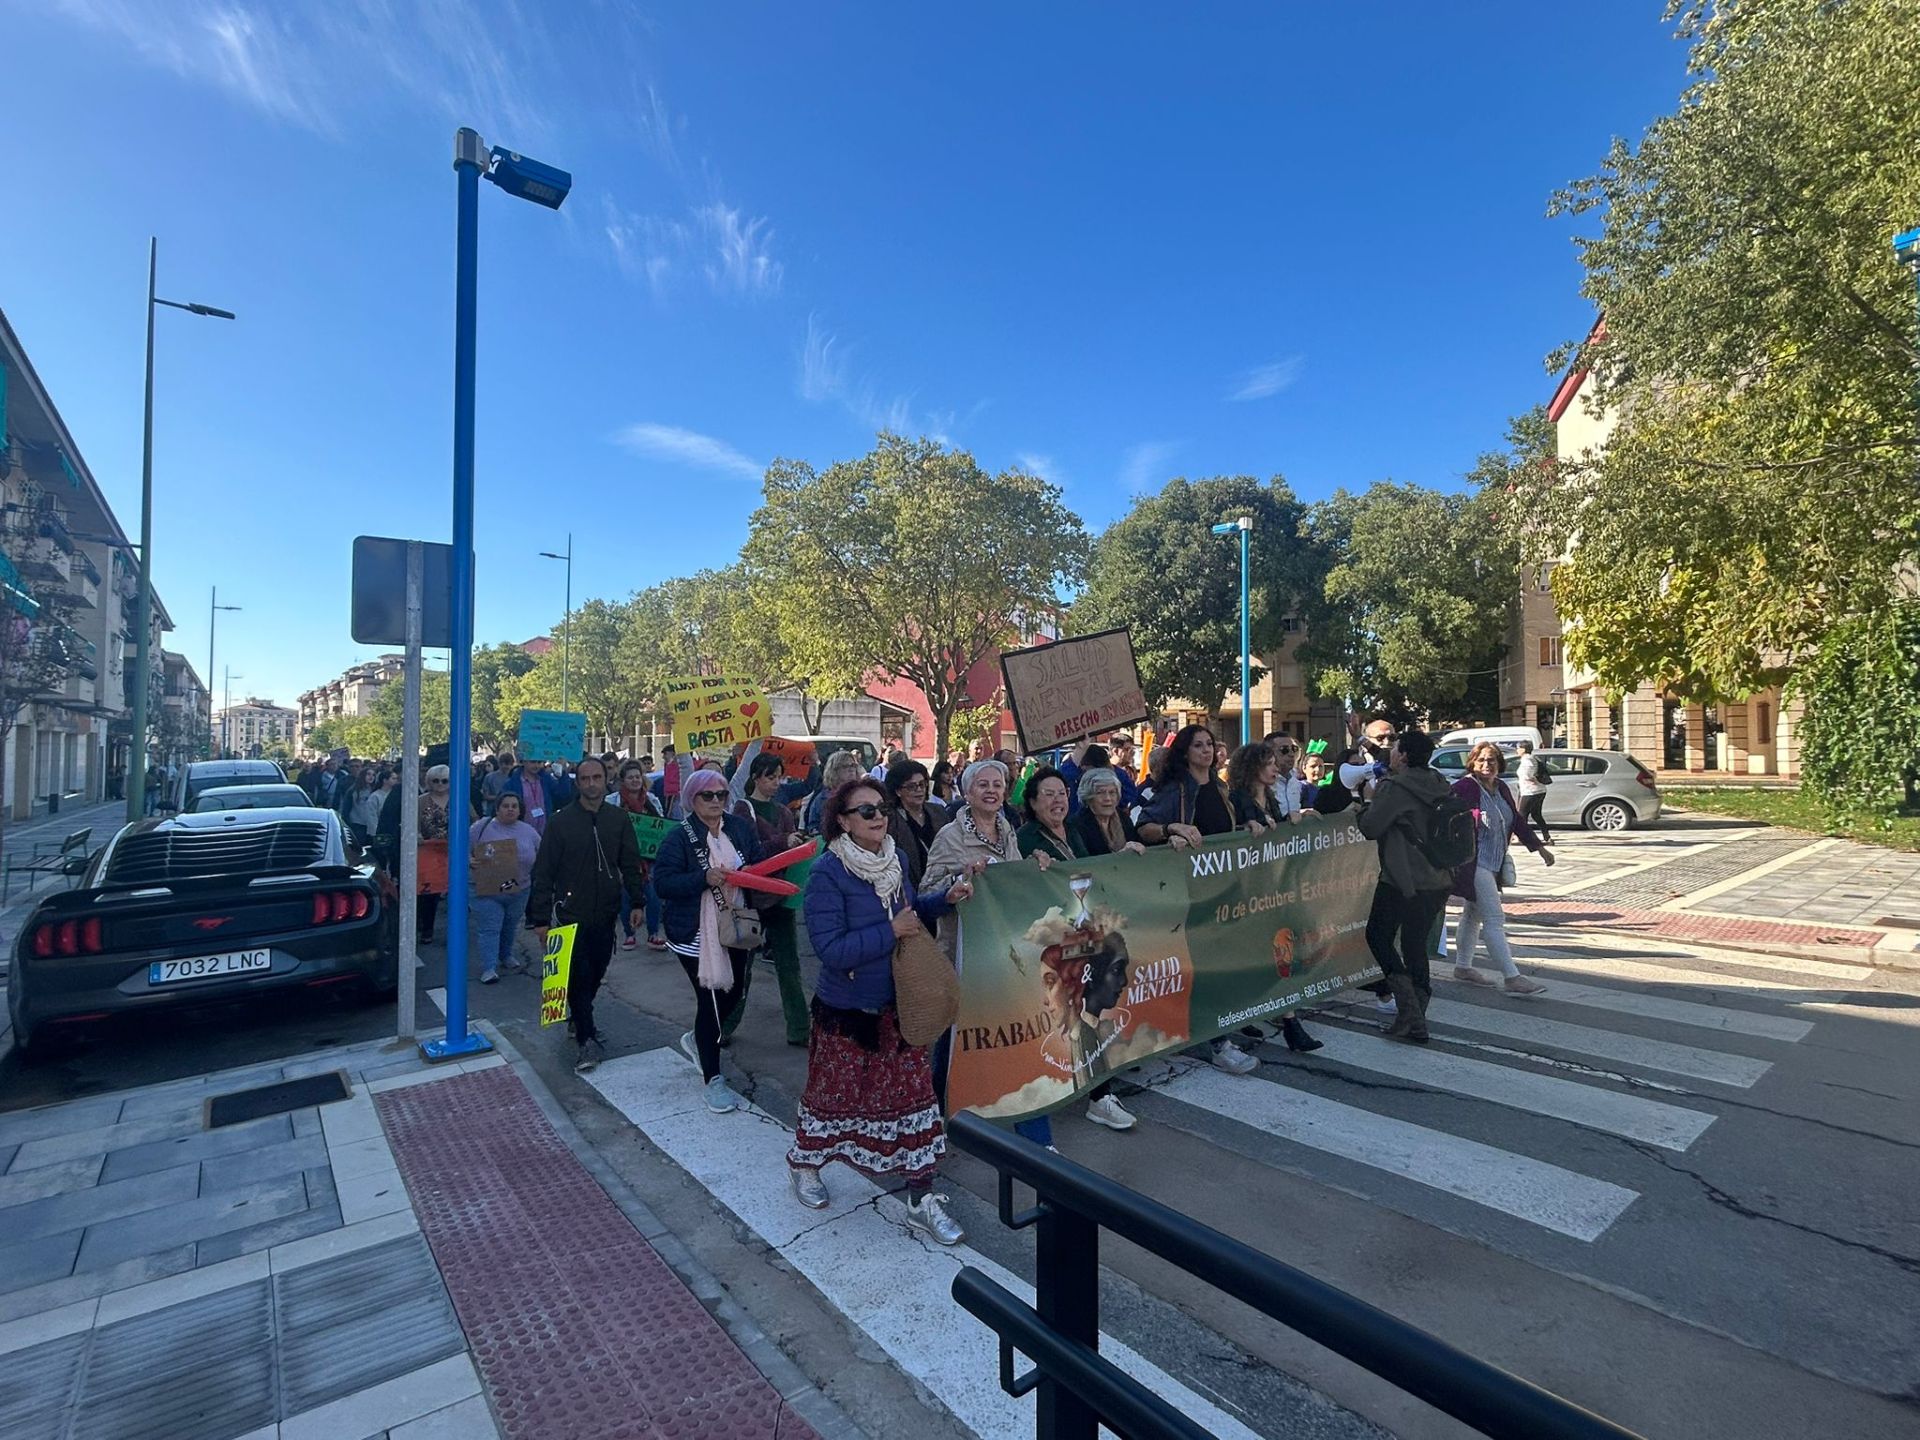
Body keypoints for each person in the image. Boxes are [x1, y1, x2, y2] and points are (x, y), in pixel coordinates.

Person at [786, 776, 973, 1241]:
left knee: (916, 1106)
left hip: (902, 1006)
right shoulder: (828, 873)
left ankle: (921, 1198)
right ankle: (805, 1165)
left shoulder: (898, 859)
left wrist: (941, 901)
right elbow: (830, 949)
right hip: (848, 1013)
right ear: (843, 822)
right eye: (866, 811)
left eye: (882, 807)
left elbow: (910, 913)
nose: (878, 817)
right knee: (832, 1100)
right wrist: (893, 930)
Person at [921, 758, 1059, 1149]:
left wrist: (1036, 866)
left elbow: (1011, 883)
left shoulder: (1007, 830)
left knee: (1020, 1038)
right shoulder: (950, 836)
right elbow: (928, 891)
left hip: (1006, 955)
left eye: (998, 784)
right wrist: (961, 875)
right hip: (965, 955)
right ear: (967, 793)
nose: (992, 791)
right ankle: (936, 1122)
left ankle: (1036, 1137)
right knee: (953, 1043)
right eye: (982, 784)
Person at [1136, 725, 1258, 1074]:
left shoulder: (1221, 788)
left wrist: (1251, 823)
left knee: (1221, 965)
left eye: (1210, 745)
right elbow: (1145, 826)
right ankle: (1218, 1042)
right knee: (1203, 968)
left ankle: (1216, 1031)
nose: (1207, 751)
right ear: (1185, 752)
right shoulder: (1177, 790)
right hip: (1189, 893)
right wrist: (1172, 829)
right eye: (1199, 745)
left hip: (1224, 890)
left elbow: (1237, 820)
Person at [652, 769, 765, 1110]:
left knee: (731, 996)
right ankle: (713, 1077)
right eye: (708, 796)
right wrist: (703, 878)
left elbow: (758, 863)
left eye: (721, 795)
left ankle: (698, 1039)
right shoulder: (679, 837)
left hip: (737, 926)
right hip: (695, 931)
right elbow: (664, 884)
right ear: (692, 799)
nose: (716, 801)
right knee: (712, 1003)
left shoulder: (739, 828)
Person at [526, 756, 647, 1073]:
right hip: (569, 913)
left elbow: (630, 863)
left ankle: (579, 1015)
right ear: (577, 783)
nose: (591, 783)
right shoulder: (560, 822)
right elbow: (544, 873)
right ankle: (585, 1038)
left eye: (597, 777)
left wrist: (637, 902)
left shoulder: (618, 819)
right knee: (577, 976)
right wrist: (539, 920)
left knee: (596, 970)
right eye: (585, 778)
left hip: (606, 912)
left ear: (606, 779)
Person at [1356, 729, 1455, 1043]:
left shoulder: (1395, 787)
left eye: (1395, 748)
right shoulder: (1439, 782)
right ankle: (1415, 1018)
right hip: (1438, 878)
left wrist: (1362, 808)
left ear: (1404, 756)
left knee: (1378, 935)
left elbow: (1371, 827)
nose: (1392, 752)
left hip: (1402, 879)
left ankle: (1409, 1009)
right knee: (1415, 945)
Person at [1450, 742, 1554, 996]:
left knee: (1473, 914)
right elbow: (1446, 816)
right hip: (1473, 863)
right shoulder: (1465, 787)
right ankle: (1512, 978)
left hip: (1494, 861)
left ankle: (1463, 967)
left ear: (1500, 763)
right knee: (1494, 919)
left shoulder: (1501, 788)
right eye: (1482, 760)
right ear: (1472, 763)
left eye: (1492, 760)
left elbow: (1516, 820)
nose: (1487, 765)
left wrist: (1539, 848)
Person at [732, 752, 810, 1048]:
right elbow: (748, 852)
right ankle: (723, 1025)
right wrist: (783, 843)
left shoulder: (784, 812)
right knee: (742, 966)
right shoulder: (743, 809)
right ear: (756, 778)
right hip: (751, 898)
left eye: (779, 777)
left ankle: (800, 1028)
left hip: (781, 893)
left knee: (789, 966)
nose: (777, 783)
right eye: (771, 777)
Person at [469, 791, 539, 984]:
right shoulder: (480, 827)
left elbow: (541, 855)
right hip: (487, 890)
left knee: (510, 924)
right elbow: (461, 849)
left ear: (520, 809)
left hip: (520, 889)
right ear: (497, 808)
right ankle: (489, 967)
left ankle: (506, 955)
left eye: (514, 806)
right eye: (505, 806)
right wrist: (469, 860)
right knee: (490, 927)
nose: (510, 809)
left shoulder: (529, 831)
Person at [615, 761, 665, 949]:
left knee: (653, 897)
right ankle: (629, 935)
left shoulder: (652, 800)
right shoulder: (613, 801)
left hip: (649, 860)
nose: (635, 780)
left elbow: (660, 827)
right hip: (624, 860)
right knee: (627, 896)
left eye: (637, 776)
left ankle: (653, 934)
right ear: (623, 780)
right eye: (630, 777)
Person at [884, 760, 946, 891]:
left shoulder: (939, 812)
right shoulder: (890, 821)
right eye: (911, 786)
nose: (919, 790)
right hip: (909, 889)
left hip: (944, 887)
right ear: (898, 791)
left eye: (922, 784)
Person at [416, 764, 459, 945]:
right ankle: (427, 929)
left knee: (456, 893)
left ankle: (456, 931)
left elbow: (473, 820)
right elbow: (413, 822)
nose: (440, 784)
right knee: (429, 894)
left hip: (454, 851)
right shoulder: (421, 801)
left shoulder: (459, 798)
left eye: (444, 780)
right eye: (436, 780)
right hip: (429, 853)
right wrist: (417, 835)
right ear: (429, 781)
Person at [1015, 766, 1083, 863]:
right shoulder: (1023, 839)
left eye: (1062, 793)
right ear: (1033, 802)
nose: (1058, 800)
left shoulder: (1076, 828)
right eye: (1049, 794)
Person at [1071, 767, 1145, 856]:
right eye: (1100, 793)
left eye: (1112, 792)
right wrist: (1121, 855)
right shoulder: (1077, 825)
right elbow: (1086, 860)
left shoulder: (1124, 818)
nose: (1107, 798)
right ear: (1088, 797)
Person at [504, 757, 573, 838]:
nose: (536, 765)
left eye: (539, 762)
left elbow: (563, 796)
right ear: (523, 762)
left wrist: (563, 773)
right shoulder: (511, 784)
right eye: (533, 762)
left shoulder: (547, 780)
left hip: (545, 833)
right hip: (521, 833)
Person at [1226, 742, 1285, 831]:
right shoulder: (1236, 798)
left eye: (1275, 763)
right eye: (1269, 764)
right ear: (1252, 767)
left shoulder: (1271, 798)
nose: (1276, 769)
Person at [804, 750, 866, 831]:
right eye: (845, 766)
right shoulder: (823, 799)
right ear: (834, 770)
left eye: (853, 765)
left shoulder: (862, 793)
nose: (851, 769)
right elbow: (813, 828)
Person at [1513, 740, 1554, 845]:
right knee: (1536, 815)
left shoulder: (1527, 760)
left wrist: (1530, 779)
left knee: (1521, 815)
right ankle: (1547, 836)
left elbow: (1527, 775)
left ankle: (1522, 838)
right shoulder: (1532, 759)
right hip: (1538, 790)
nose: (1517, 750)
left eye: (1518, 748)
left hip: (1530, 791)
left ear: (1523, 749)